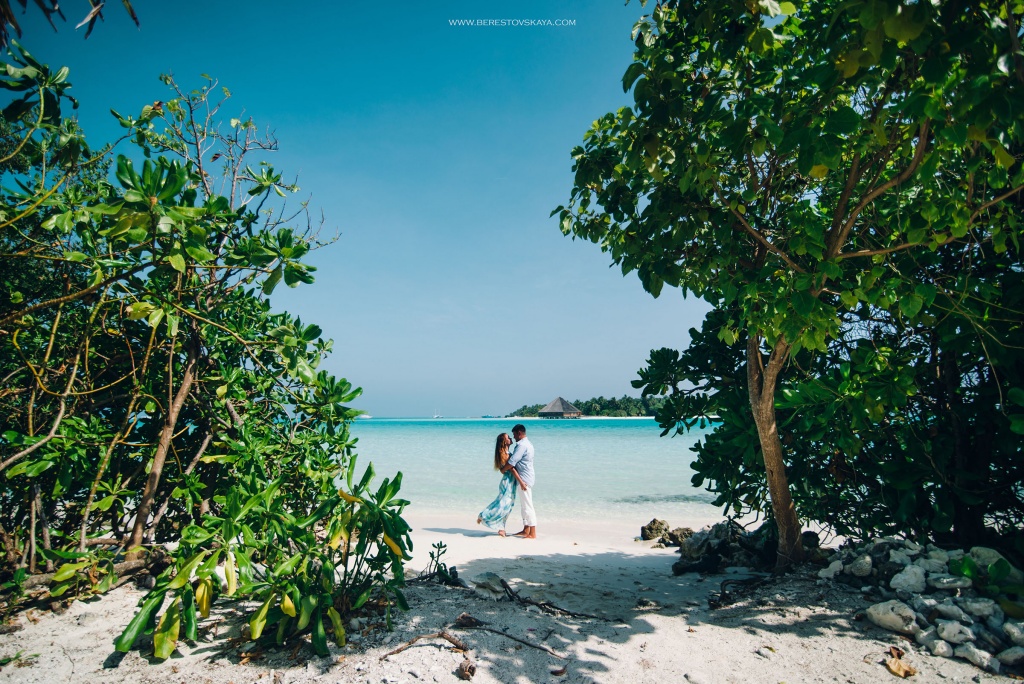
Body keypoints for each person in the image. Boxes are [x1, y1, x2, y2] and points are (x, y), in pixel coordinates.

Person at [477, 433, 526, 535]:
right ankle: (486, 516)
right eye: (508, 437)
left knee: (506, 505)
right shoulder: (504, 454)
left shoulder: (506, 453)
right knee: (504, 505)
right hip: (508, 482)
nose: (511, 438)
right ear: (504, 442)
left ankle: (500, 527)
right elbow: (512, 469)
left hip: (510, 482)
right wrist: (521, 482)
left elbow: (504, 469)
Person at [502, 423, 536, 538]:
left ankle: (533, 533)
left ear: (519, 433)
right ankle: (526, 530)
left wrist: (502, 469)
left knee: (528, 506)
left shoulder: (522, 445)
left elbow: (512, 462)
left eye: (514, 434)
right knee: (524, 506)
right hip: (526, 477)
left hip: (524, 479)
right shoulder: (528, 443)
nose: (514, 437)